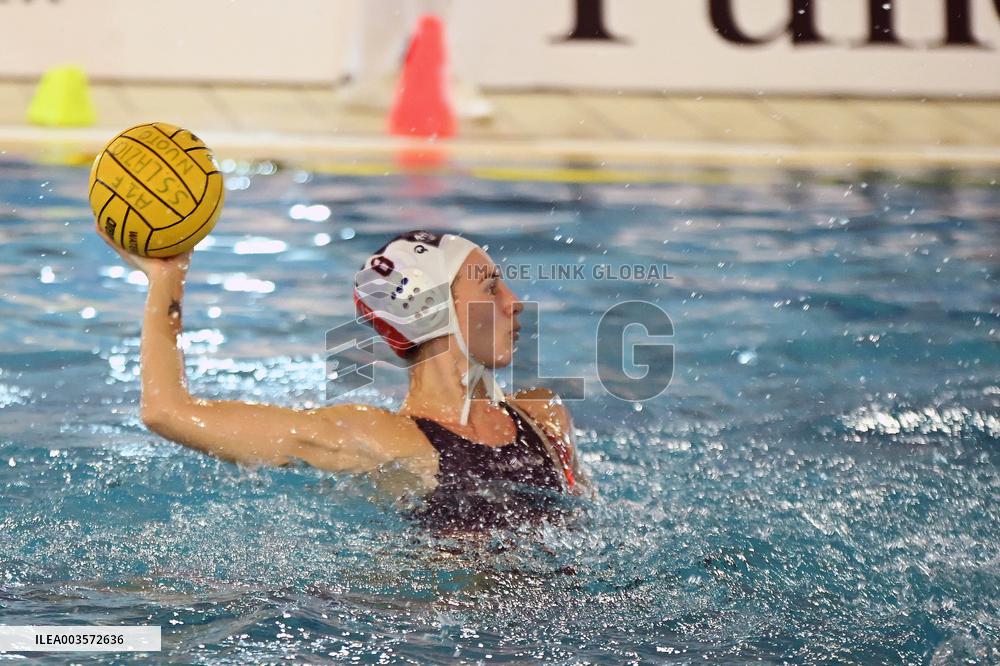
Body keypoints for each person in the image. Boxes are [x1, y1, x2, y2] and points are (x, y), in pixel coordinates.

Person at [100, 227, 583, 529]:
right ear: (431, 307)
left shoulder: (545, 416)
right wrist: (168, 278)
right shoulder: (380, 441)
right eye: (491, 285)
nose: (514, 299)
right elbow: (167, 412)